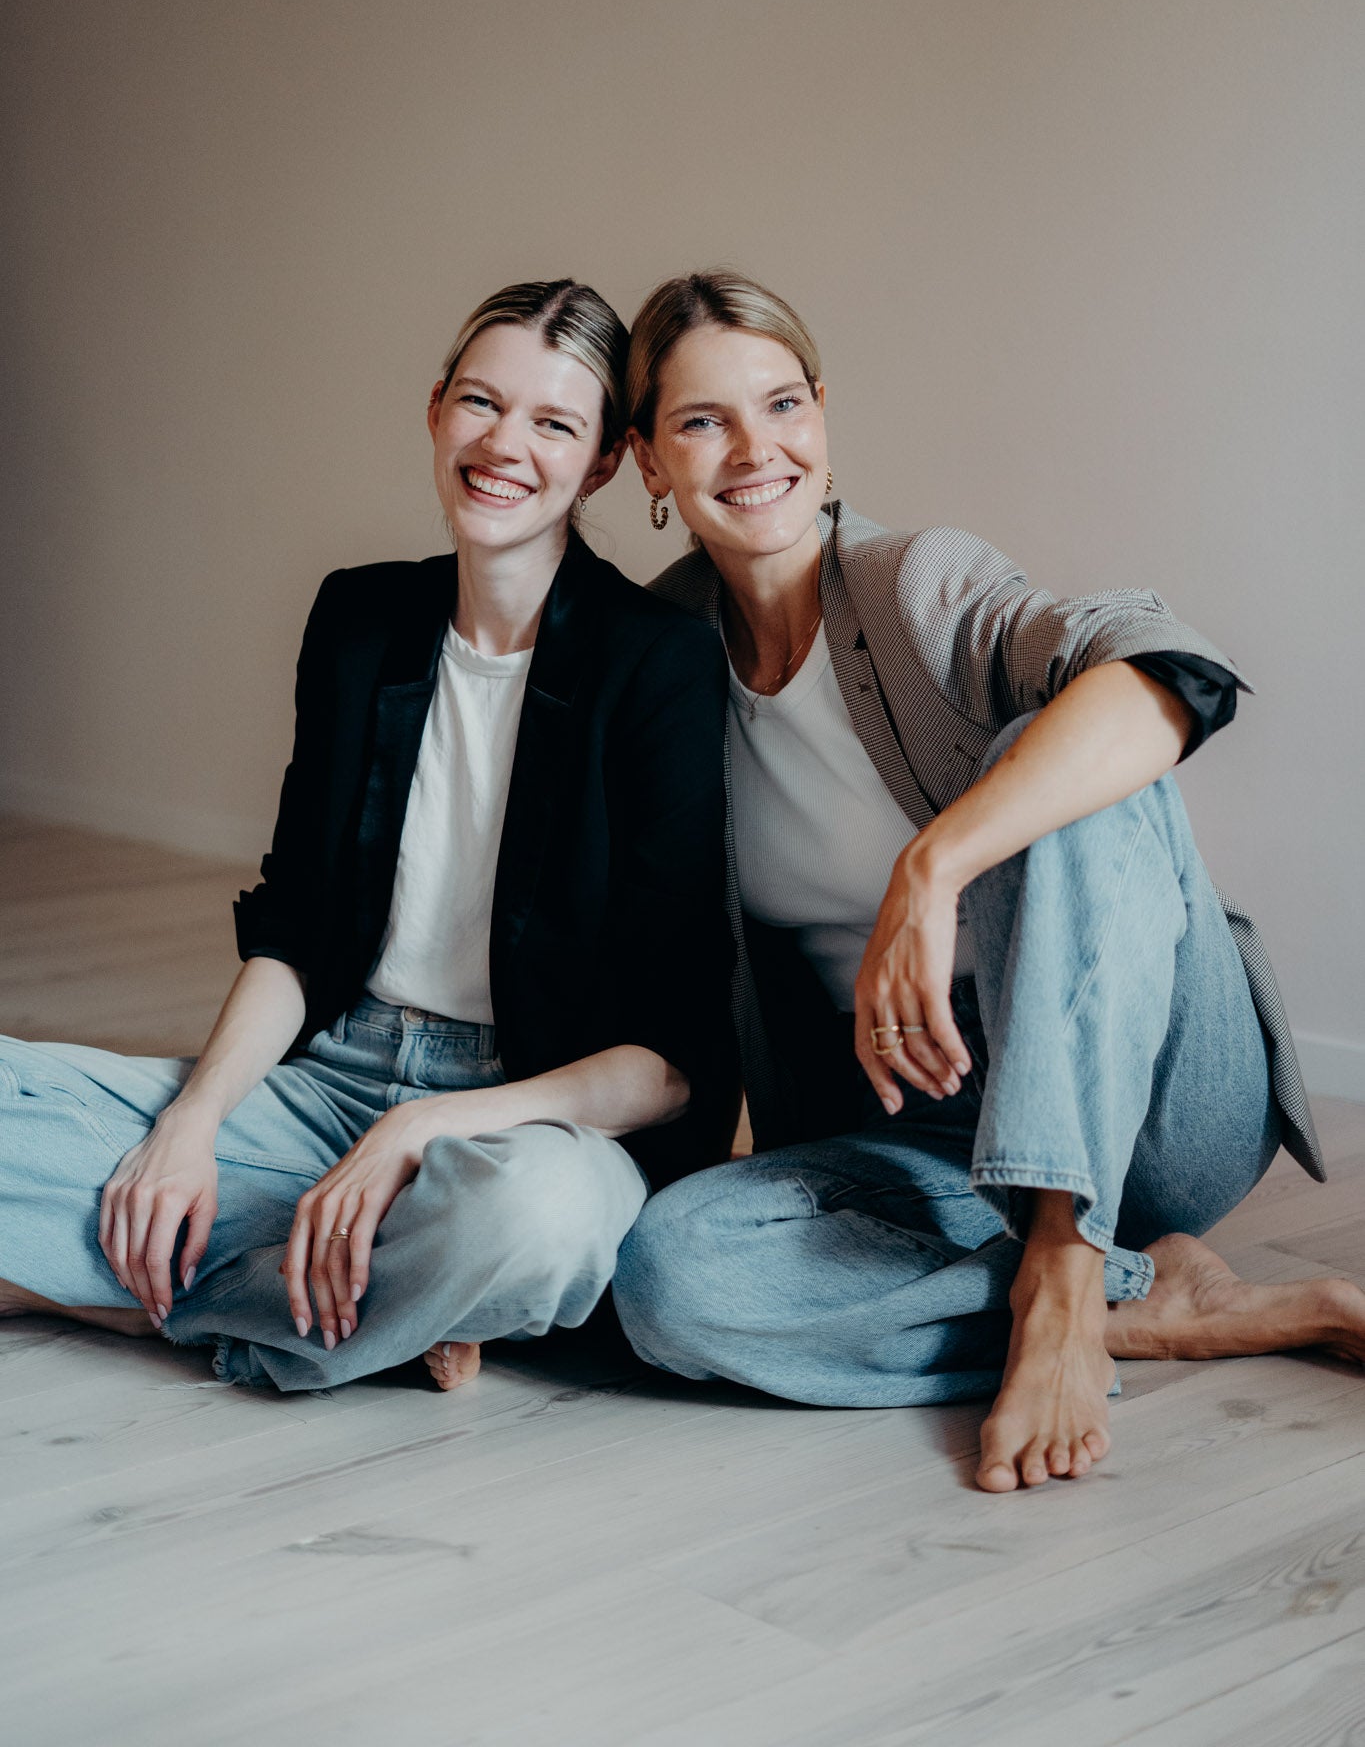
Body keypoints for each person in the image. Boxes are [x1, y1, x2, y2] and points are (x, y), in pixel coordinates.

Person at [611, 268, 1364, 1493]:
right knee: (667, 1278)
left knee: (1054, 753)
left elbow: (1167, 670)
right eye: (703, 421)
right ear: (647, 456)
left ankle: (1067, 1264)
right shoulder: (659, 663)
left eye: (783, 403)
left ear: (821, 415)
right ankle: (1151, 1298)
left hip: (1155, 1097)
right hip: (931, 1129)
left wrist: (935, 861)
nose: (756, 449)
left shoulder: (915, 583)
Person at [0, 279, 737, 1393]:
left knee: (539, 1224)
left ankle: (127, 1298)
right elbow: (295, 929)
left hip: (521, 1119)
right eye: (480, 402)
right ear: (436, 409)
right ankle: (374, 1299)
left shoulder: (658, 663)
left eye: (552, 422)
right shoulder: (358, 619)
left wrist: (422, 1129)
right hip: (328, 1077)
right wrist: (191, 1122)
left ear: (598, 464)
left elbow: (672, 1065)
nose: (504, 445)